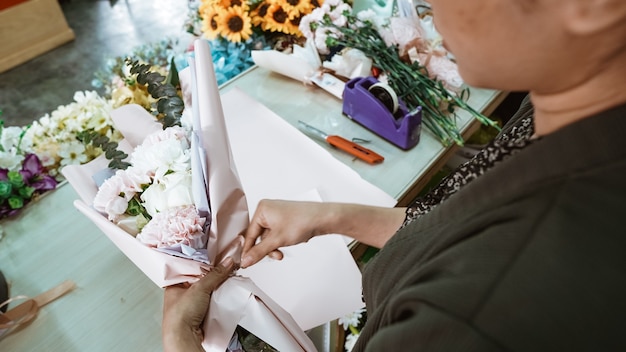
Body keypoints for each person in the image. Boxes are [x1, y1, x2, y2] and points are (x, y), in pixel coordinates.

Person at [163, 0, 626, 350]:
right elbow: (455, 230)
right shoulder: (569, 112)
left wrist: (182, 343)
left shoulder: (475, 313)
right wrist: (332, 216)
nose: (425, 6)